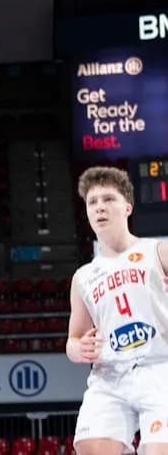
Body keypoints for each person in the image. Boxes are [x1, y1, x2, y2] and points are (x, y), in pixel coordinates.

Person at [66, 166, 168, 455]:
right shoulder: (83, 277)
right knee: (91, 448)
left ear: (127, 207)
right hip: (110, 374)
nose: (100, 207)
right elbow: (73, 340)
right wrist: (79, 349)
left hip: (160, 366)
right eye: (92, 202)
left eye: (108, 199)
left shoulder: (158, 251)